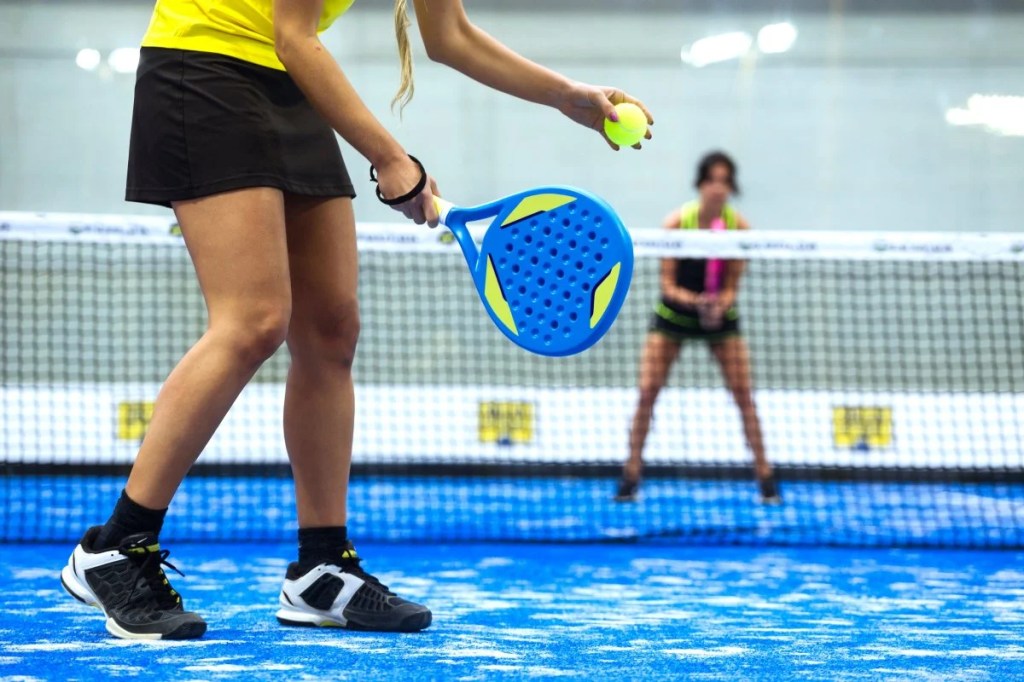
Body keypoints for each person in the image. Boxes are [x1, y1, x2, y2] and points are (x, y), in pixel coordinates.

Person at [59, 0, 652, 640]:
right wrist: (392, 157)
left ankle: (322, 570)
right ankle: (116, 547)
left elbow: (450, 36)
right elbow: (293, 34)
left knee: (330, 332)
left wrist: (567, 95)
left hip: (290, 83)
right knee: (254, 320)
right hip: (204, 69)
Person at [614, 151, 780, 506]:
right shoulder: (677, 224)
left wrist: (721, 304)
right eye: (712, 181)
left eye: (725, 182)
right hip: (674, 315)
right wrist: (696, 302)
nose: (718, 189)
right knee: (647, 393)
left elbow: (733, 283)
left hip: (721, 318)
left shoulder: (739, 229)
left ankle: (766, 480)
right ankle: (629, 476)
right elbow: (668, 285)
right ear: (700, 184)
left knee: (744, 397)